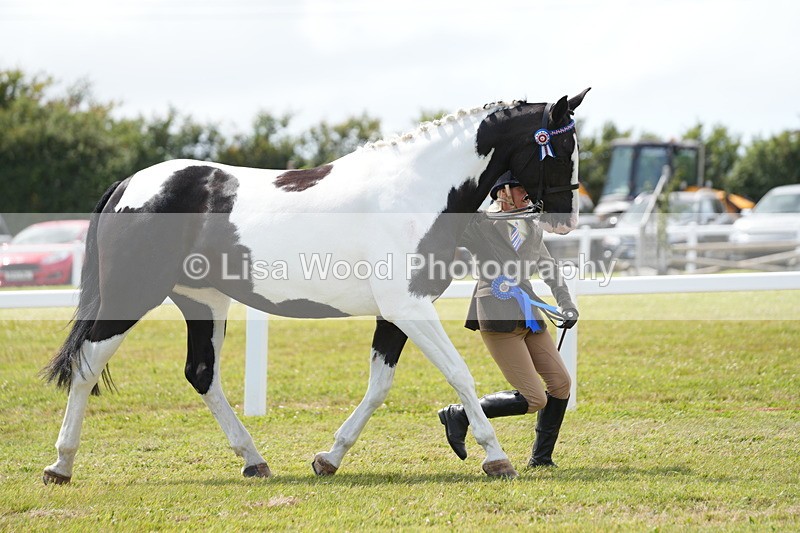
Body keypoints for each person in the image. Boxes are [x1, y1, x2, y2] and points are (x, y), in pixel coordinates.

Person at [438, 171, 579, 468]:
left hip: (530, 314)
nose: (529, 192)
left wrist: (566, 304)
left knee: (561, 383)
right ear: (503, 191)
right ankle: (461, 414)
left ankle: (541, 459)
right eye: (522, 187)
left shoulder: (531, 226)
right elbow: (453, 214)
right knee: (534, 398)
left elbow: (549, 268)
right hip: (497, 313)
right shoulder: (480, 224)